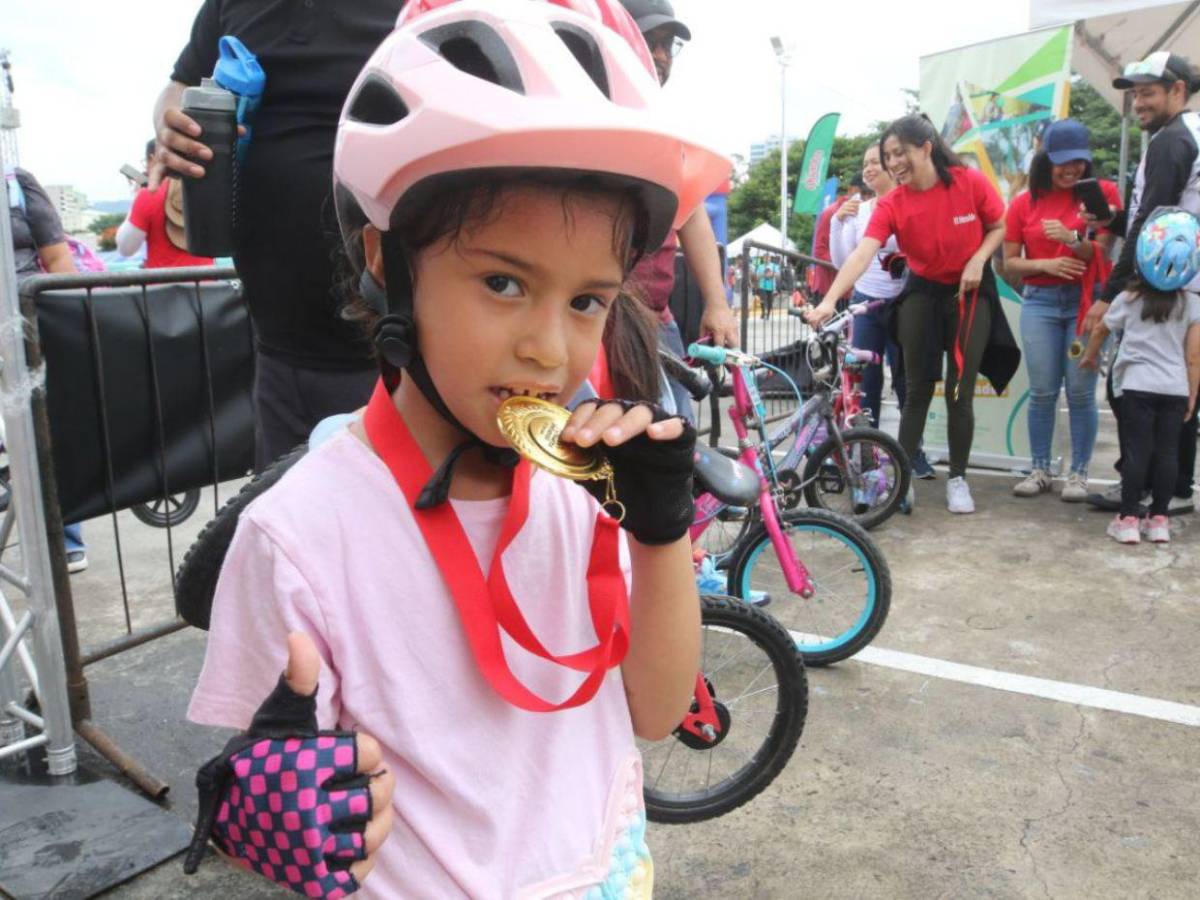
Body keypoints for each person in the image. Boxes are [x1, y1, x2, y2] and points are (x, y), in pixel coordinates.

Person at [185, 1, 726, 895]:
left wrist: (659, 532)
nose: (549, 350)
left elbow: (657, 710)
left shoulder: (588, 483)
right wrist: (268, 810)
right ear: (386, 263)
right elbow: (254, 799)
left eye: (587, 301)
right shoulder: (298, 534)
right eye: (503, 282)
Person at [152, 1, 403, 470]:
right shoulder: (229, 5)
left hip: (398, 357)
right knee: (281, 507)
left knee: (392, 510)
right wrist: (171, 122)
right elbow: (180, 84)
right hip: (276, 349)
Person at [806, 115, 1020, 514]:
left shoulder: (968, 181)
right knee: (917, 387)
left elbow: (998, 226)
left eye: (899, 153)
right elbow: (863, 253)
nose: (893, 163)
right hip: (922, 292)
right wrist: (829, 301)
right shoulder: (893, 202)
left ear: (926, 148)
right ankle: (903, 482)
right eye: (887, 156)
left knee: (959, 391)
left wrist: (978, 260)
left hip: (970, 292)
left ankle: (958, 479)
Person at [1084, 51, 1200, 515]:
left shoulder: (1171, 141)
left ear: (1178, 90)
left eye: (1148, 93)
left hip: (1167, 287)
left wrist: (1109, 294)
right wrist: (1113, 218)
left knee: (1133, 388)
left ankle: (1151, 488)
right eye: (1135, 95)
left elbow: (1153, 222)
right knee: (1175, 391)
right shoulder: (1186, 134)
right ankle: (1168, 487)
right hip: (1182, 283)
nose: (1139, 104)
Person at [619, 0, 738, 423]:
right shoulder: (589, 113)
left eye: (667, 45)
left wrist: (717, 303)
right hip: (602, 320)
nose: (661, 56)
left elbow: (691, 213)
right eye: (648, 41)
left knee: (676, 439)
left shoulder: (666, 125)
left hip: (656, 318)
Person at [1003, 119, 1122, 501]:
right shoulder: (1023, 203)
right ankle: (1040, 469)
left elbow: (1101, 252)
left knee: (1081, 391)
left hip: (1086, 305)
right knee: (1042, 391)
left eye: (1079, 161)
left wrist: (1072, 239)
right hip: (1039, 302)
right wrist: (1045, 264)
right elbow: (1010, 263)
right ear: (1046, 159)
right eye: (1063, 162)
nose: (1072, 169)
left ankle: (1079, 474)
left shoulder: (1102, 193)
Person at [1080, 207, 1200, 544]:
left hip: (1136, 387)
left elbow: (1101, 329)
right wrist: (1192, 393)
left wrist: (1090, 356)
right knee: (1167, 454)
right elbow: (1194, 356)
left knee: (1137, 452)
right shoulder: (1192, 304)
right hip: (1175, 389)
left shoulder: (1128, 298)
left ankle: (1128, 518)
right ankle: (1159, 520)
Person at [829, 143, 936, 479]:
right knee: (866, 383)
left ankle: (912, 454)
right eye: (866, 163)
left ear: (893, 166)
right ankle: (867, 455)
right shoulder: (859, 210)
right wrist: (837, 223)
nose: (869, 168)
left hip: (905, 303)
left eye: (876, 161)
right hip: (866, 303)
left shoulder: (911, 203)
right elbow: (843, 261)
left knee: (907, 382)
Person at [6, 166, 88, 573]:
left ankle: (63, 539)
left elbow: (58, 260)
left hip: (26, 331)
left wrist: (71, 328)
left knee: (45, 437)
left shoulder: (16, 184)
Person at [117, 139, 215, 269]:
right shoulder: (207, 189)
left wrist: (137, 197)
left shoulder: (149, 194)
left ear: (153, 159)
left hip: (164, 281)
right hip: (207, 280)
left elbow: (126, 248)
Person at [811, 179, 859, 306]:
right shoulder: (831, 212)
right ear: (851, 190)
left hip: (853, 289)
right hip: (829, 288)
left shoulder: (866, 211)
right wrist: (848, 263)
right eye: (863, 193)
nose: (866, 198)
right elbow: (820, 251)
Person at [756, 254, 777, 319]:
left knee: (770, 301)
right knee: (763, 300)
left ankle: (768, 314)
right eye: (765, 258)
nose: (767, 259)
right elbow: (757, 276)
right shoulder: (760, 266)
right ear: (763, 259)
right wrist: (764, 274)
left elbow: (778, 274)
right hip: (762, 286)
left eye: (768, 258)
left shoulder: (774, 266)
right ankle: (763, 312)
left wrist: (771, 274)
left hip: (771, 286)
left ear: (770, 258)